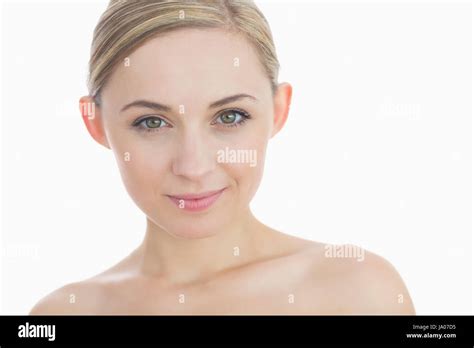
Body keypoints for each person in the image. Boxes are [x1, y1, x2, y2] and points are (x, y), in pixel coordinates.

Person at [30, 0, 415, 315]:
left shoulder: (357, 293)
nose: (194, 168)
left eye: (229, 117)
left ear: (279, 111)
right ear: (94, 123)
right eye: (151, 122)